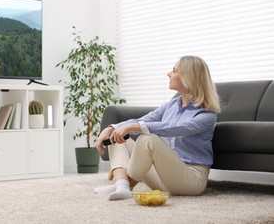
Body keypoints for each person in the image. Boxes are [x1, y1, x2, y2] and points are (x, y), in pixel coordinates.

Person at [94, 55, 221, 201]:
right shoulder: (172, 104)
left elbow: (175, 128)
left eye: (174, 71)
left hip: (191, 179)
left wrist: (133, 127)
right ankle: (122, 186)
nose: (168, 74)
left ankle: (124, 184)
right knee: (118, 137)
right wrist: (110, 129)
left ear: (188, 78)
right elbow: (143, 120)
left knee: (148, 139)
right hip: (164, 177)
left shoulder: (207, 114)